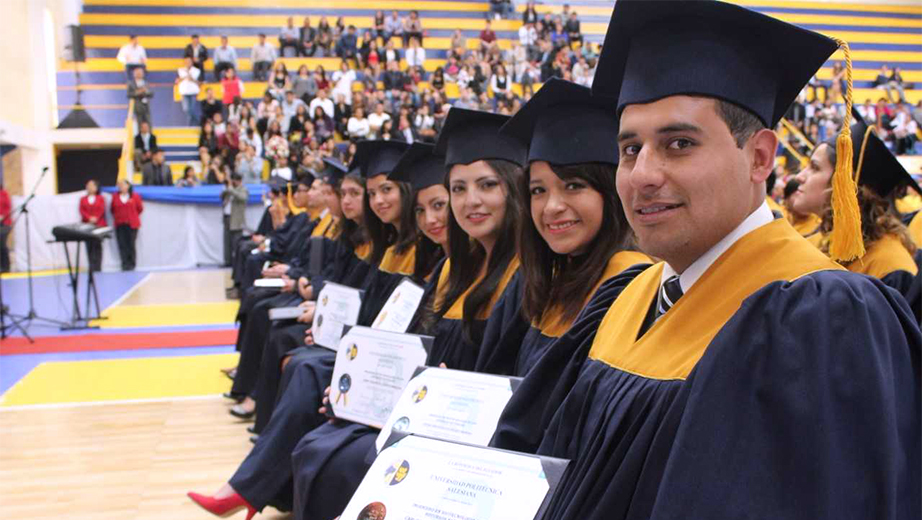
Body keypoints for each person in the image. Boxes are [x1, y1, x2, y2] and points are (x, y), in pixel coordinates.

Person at [510, 3, 919, 520]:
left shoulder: (822, 320)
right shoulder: (625, 297)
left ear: (760, 157)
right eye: (630, 149)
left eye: (679, 144)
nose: (641, 176)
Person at [792, 111, 920, 308]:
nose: (800, 176)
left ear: (846, 185)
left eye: (814, 168)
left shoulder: (890, 267)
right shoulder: (815, 241)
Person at [111, 179, 143, 271]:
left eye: (123, 184)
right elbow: (112, 209)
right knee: (122, 244)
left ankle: (132, 264)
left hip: (132, 224)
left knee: (131, 244)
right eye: (119, 185)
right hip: (120, 224)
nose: (121, 186)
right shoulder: (115, 196)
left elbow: (140, 209)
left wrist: (131, 216)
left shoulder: (135, 196)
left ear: (128, 186)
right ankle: (124, 264)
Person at [79, 179, 107, 272]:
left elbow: (102, 209)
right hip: (87, 225)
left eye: (91, 185)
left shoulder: (101, 198)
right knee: (89, 246)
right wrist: (89, 218)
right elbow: (82, 210)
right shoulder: (83, 199)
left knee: (97, 246)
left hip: (99, 224)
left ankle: (98, 266)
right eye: (88, 185)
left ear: (96, 187)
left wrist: (96, 218)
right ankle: (91, 266)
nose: (89, 187)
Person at [222, 173, 250, 267]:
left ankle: (237, 262)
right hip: (227, 217)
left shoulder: (243, 189)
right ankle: (227, 261)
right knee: (227, 241)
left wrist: (231, 189)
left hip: (237, 220)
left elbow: (243, 198)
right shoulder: (229, 189)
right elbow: (221, 196)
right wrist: (226, 189)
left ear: (239, 181)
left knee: (236, 242)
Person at [176, 57, 202, 126]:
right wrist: (185, 76)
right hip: (184, 92)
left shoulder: (197, 71)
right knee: (186, 109)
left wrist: (191, 78)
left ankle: (189, 125)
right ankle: (198, 122)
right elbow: (177, 81)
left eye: (189, 62)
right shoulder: (180, 70)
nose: (188, 63)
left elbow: (200, 82)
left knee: (192, 109)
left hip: (193, 92)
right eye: (186, 62)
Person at [0, 186, 10, 272]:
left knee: (2, 244)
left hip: (4, 223)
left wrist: (2, 216)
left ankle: (6, 267)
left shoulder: (3, 193)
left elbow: (7, 206)